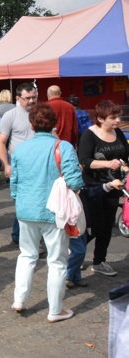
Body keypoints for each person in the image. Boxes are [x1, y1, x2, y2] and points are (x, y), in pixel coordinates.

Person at [10, 103, 82, 323]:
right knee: (57, 261)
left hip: (25, 209)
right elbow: (75, 180)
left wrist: (20, 199)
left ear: (31, 124)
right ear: (55, 124)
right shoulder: (64, 147)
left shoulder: (20, 149)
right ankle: (55, 310)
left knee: (27, 255)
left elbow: (14, 183)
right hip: (54, 211)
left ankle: (19, 300)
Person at [76, 100, 128, 278]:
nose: (117, 120)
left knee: (107, 226)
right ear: (100, 118)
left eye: (118, 116)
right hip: (93, 187)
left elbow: (126, 154)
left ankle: (99, 262)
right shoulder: (89, 135)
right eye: (113, 117)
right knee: (95, 226)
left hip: (114, 185)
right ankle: (74, 253)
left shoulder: (118, 132)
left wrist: (123, 165)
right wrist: (107, 163)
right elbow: (84, 161)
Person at [0, 82, 37, 244]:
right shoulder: (10, 115)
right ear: (18, 98)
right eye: (28, 98)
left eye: (34, 97)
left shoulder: (41, 113)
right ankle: (21, 236)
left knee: (37, 201)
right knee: (22, 202)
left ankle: (25, 236)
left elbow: (53, 136)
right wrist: (6, 165)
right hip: (19, 165)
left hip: (40, 164)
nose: (32, 101)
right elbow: (1, 142)